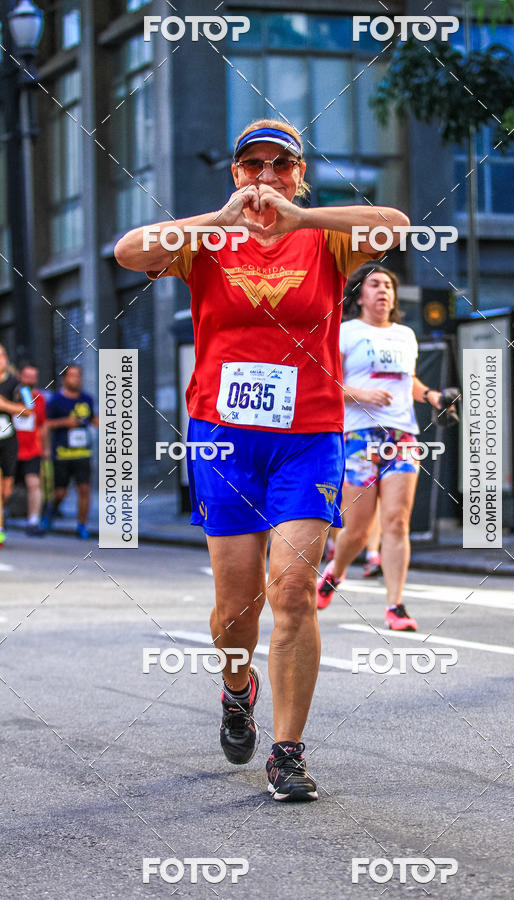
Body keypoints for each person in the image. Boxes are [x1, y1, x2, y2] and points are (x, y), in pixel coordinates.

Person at [115, 118, 410, 801]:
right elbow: (130, 251)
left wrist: (301, 214)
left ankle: (288, 751)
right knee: (236, 609)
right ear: (235, 175)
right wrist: (216, 218)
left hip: (308, 437)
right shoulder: (205, 240)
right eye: (253, 167)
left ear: (299, 174)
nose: (267, 178)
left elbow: (394, 222)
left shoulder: (326, 236)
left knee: (293, 594)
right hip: (222, 439)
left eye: (282, 166)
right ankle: (235, 685)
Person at [316, 264, 447, 630]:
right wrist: (362, 394)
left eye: (388, 285)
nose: (383, 291)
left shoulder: (406, 335)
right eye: (374, 284)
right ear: (359, 295)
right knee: (356, 531)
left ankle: (396, 606)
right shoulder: (345, 333)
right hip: (358, 436)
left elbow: (410, 383)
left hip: (402, 436)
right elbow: (326, 382)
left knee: (396, 521)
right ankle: (335, 572)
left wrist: (433, 396)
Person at [42, 365, 98, 539]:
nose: (76, 379)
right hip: (62, 453)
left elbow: (93, 419)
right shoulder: (55, 401)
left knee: (84, 488)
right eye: (72, 376)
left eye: (78, 376)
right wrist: (64, 423)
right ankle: (51, 510)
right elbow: (46, 425)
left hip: (82, 453)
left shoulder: (87, 399)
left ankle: (82, 526)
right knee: (60, 493)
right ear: (64, 379)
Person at [0, 345, 34, 547]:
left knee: (6, 491)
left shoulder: (18, 384)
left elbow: (29, 410)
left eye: (2, 355)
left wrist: (5, 406)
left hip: (8, 441)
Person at [15, 362, 48, 537]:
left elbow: (43, 425)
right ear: (20, 376)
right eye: (27, 377)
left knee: (34, 484)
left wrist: (46, 448)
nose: (30, 380)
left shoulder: (39, 398)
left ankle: (33, 521)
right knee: (4, 489)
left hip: (31, 450)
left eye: (33, 377)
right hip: (10, 449)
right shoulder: (8, 395)